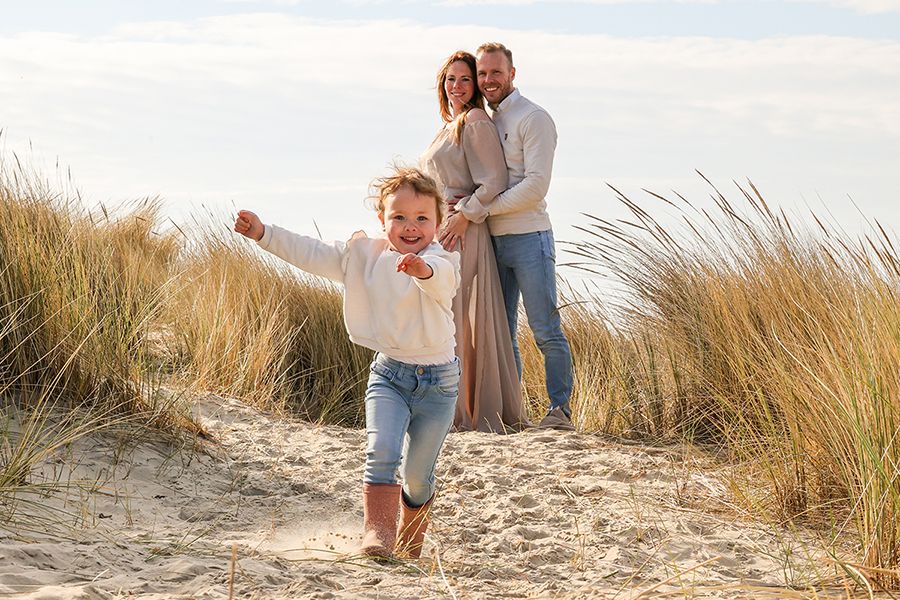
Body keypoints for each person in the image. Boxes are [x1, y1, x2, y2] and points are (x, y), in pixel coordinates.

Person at [233, 166, 461, 559]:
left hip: (439, 384)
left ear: (438, 224)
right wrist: (263, 234)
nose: (411, 227)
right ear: (382, 220)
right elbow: (313, 252)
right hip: (389, 375)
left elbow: (440, 278)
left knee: (417, 477)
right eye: (399, 217)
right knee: (382, 450)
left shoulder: (443, 260)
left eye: (422, 218)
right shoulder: (364, 255)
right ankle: (378, 534)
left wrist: (420, 268)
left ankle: (410, 540)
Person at [420, 50, 529, 433]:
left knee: (459, 316)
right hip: (444, 227)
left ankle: (465, 410)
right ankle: (446, 405)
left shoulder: (476, 120)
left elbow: (494, 180)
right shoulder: (451, 124)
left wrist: (465, 214)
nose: (457, 86)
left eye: (465, 79)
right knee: (446, 314)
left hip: (465, 230)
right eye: (451, 79)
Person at [469, 42, 575, 431]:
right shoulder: (483, 120)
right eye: (482, 74)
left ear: (512, 73)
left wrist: (482, 209)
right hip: (492, 241)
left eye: (496, 72)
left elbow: (536, 186)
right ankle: (515, 413)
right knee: (505, 331)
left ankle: (560, 411)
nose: (488, 80)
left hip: (530, 237)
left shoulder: (534, 118)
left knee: (545, 328)